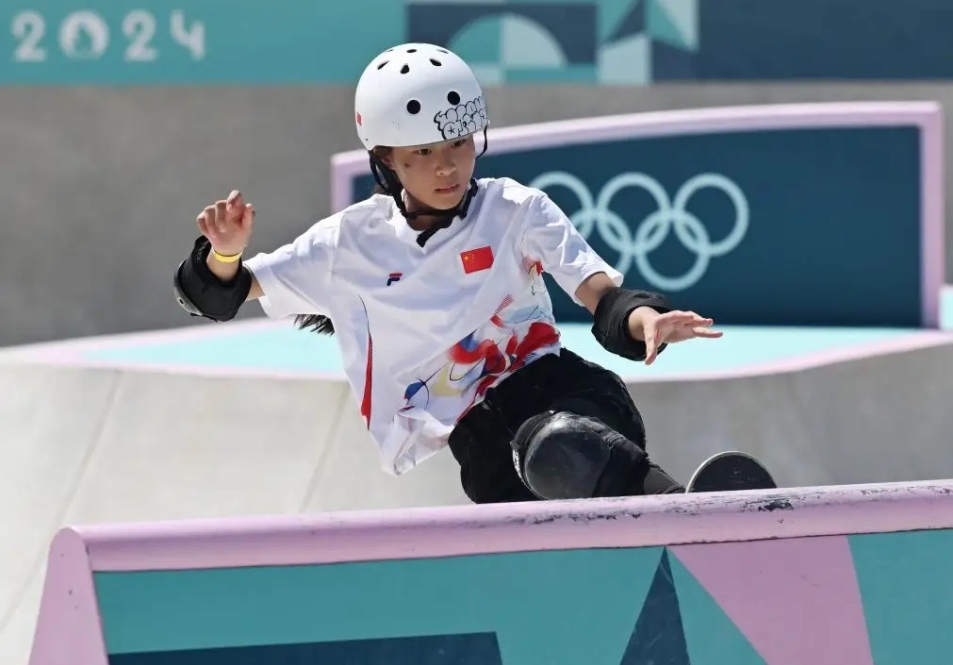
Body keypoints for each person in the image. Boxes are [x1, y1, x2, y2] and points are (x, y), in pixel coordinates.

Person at [172, 42, 725, 505]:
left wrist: (643, 320)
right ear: (386, 158)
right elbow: (222, 294)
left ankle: (684, 512)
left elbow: (597, 291)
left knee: (557, 447)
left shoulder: (514, 211)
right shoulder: (348, 245)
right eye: (423, 151)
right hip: (484, 445)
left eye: (459, 143)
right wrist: (225, 254)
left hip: (567, 397)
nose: (447, 166)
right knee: (522, 506)